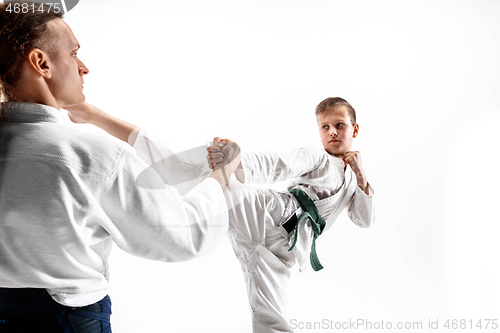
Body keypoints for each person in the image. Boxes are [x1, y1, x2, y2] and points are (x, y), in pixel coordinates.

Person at [0, 3, 240, 332]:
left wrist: (89, 114)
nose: (84, 67)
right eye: (73, 53)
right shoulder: (90, 154)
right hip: (67, 321)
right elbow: (186, 236)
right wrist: (221, 175)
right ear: (42, 63)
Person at [207, 97, 376, 333]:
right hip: (270, 214)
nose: (332, 133)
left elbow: (364, 219)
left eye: (340, 125)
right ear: (319, 132)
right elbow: (282, 163)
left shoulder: (352, 180)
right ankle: (149, 149)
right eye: (325, 127)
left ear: (354, 129)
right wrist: (238, 161)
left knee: (272, 322)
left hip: (283, 251)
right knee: (212, 180)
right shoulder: (317, 157)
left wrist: (360, 175)